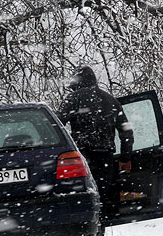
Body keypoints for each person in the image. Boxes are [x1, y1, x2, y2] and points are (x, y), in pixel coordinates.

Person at [56, 66, 134, 215]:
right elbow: (126, 131)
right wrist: (126, 157)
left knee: (82, 195)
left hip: (81, 157)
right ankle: (101, 223)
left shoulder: (73, 99)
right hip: (105, 157)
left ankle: (84, 223)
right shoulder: (111, 100)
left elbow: (57, 125)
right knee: (102, 195)